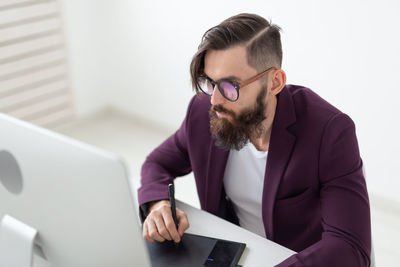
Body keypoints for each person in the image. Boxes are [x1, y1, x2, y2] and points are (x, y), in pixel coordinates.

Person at [138, 13, 371, 266]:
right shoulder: (204, 111)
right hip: (233, 251)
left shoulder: (330, 132)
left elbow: (349, 247)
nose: (215, 100)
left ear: (274, 82)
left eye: (230, 86)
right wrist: (158, 204)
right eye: (210, 81)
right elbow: (158, 163)